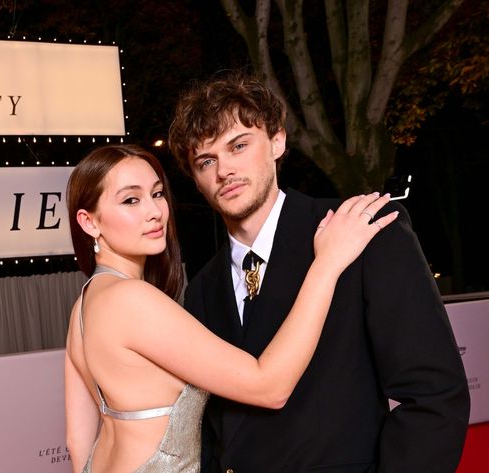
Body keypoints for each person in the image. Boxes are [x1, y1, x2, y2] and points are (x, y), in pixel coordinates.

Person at [167, 71, 470, 473]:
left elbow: (435, 396)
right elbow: (211, 427)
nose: (224, 171)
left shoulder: (364, 228)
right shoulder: (203, 289)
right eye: (207, 161)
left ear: (277, 141)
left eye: (238, 145)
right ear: (197, 180)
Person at [63, 143, 397, 473]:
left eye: (158, 194)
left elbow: (77, 442)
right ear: (89, 222)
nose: (154, 212)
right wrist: (328, 263)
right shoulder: (131, 299)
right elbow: (269, 386)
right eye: (131, 200)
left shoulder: (84, 305)